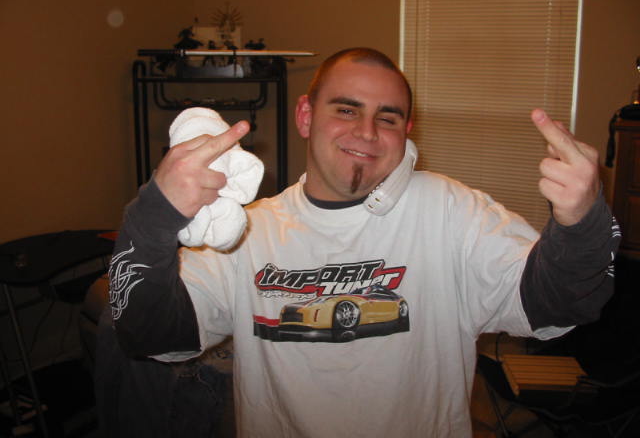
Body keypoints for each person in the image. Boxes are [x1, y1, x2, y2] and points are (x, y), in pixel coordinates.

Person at [106, 47, 620, 437]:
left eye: (387, 117)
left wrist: (581, 221)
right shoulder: (247, 230)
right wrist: (154, 216)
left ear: (406, 130)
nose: (368, 132)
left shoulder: (452, 212)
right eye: (347, 110)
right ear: (306, 116)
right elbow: (150, 335)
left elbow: (560, 302)